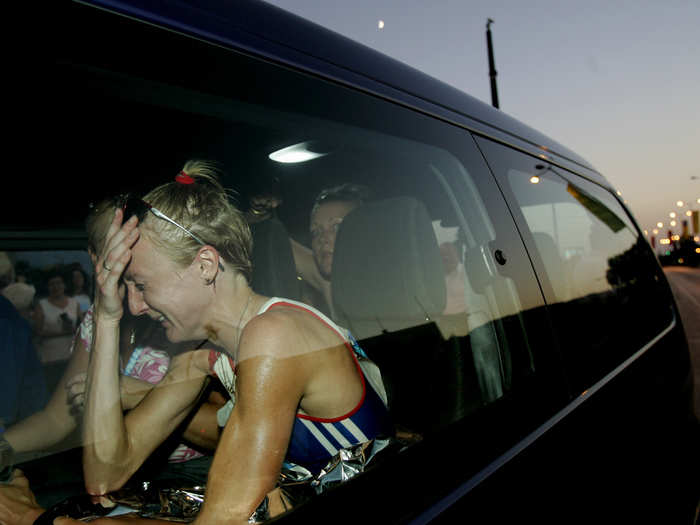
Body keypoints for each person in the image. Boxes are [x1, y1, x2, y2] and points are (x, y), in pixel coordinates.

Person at [69, 160, 391, 523]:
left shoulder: (276, 334)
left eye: (141, 285)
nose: (135, 306)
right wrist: (106, 317)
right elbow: (105, 475)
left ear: (205, 265)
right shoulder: (202, 354)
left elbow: (226, 519)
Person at [1, 201, 223, 507]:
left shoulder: (178, 314)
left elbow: (226, 429)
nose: (125, 255)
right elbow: (56, 420)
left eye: (133, 242)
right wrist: (3, 445)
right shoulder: (97, 320)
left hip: (195, 474)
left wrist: (138, 394)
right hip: (120, 477)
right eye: (115, 246)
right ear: (94, 255)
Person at [250, 183, 371, 319]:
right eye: (316, 231)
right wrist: (259, 213)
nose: (322, 238)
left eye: (336, 226)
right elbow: (278, 242)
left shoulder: (394, 277)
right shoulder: (330, 284)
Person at [33, 270, 79, 363]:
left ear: (64, 285)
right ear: (47, 287)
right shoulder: (41, 305)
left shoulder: (74, 303)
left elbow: (82, 327)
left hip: (72, 354)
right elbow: (38, 332)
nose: (56, 287)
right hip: (51, 356)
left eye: (59, 283)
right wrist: (63, 333)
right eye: (51, 284)